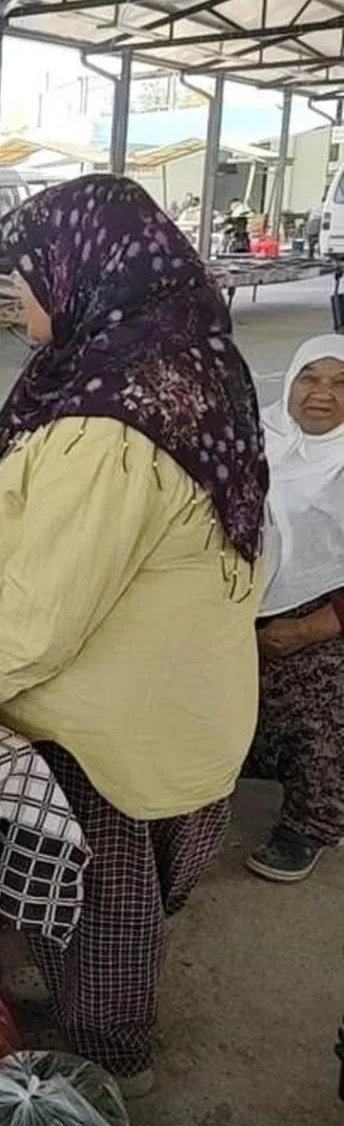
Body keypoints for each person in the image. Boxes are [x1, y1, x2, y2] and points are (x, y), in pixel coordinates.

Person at [0, 176, 267, 1093]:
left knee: (100, 908)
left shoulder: (108, 423)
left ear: (85, 271)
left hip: (105, 725)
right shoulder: (188, 357)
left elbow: (40, 627)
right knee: (133, 889)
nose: (18, 295)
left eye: (29, 277)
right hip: (186, 692)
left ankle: (105, 1065)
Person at [243, 335, 344, 882]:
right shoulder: (258, 434)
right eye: (309, 378)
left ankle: (311, 822)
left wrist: (308, 630)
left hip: (324, 615)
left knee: (325, 699)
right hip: (239, 598)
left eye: (340, 382)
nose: (321, 395)